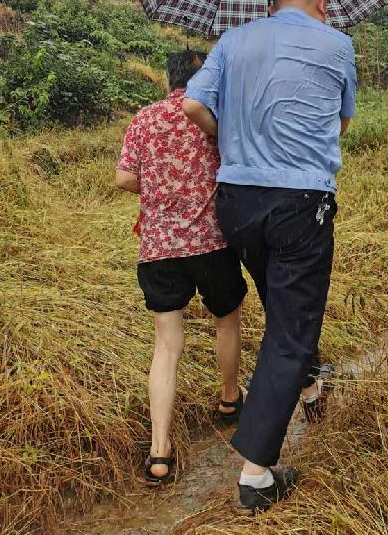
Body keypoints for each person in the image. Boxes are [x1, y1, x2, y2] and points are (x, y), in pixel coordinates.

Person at [182, 0, 356, 514]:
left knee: (284, 309)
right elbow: (343, 122)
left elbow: (192, 105)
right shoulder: (338, 44)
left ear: (274, 0)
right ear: (321, 2)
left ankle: (307, 383)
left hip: (235, 203)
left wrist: (229, 133)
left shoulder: (234, 40)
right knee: (290, 331)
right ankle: (256, 476)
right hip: (300, 205)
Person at [116, 50, 248, 486]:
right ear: (203, 79)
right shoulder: (214, 119)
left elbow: (124, 179)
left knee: (166, 346)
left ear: (167, 78)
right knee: (226, 319)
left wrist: (158, 185)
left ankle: (159, 451)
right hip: (211, 244)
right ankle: (230, 398)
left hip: (158, 249)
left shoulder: (144, 118)